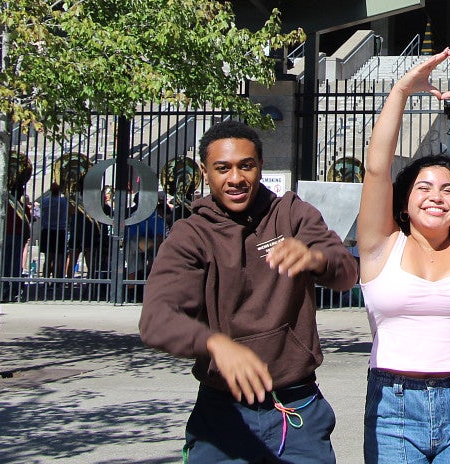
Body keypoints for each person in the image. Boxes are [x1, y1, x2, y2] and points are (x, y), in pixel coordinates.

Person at [140, 119, 358, 464]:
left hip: (296, 406)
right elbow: (157, 319)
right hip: (223, 412)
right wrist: (215, 344)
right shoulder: (190, 235)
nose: (236, 178)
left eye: (247, 165)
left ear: (260, 166)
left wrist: (316, 258)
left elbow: (346, 273)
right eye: (222, 168)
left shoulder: (291, 214)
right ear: (205, 172)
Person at [357, 49, 450, 464]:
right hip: (393, 405)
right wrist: (402, 90)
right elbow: (376, 169)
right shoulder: (379, 249)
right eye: (423, 188)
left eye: (448, 190)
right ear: (404, 200)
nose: (435, 197)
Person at [37, 181, 72, 279]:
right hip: (60, 230)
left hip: (47, 230)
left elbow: (40, 213)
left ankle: (46, 279)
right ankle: (57, 279)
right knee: (59, 258)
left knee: (48, 257)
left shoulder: (45, 201)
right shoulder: (64, 201)